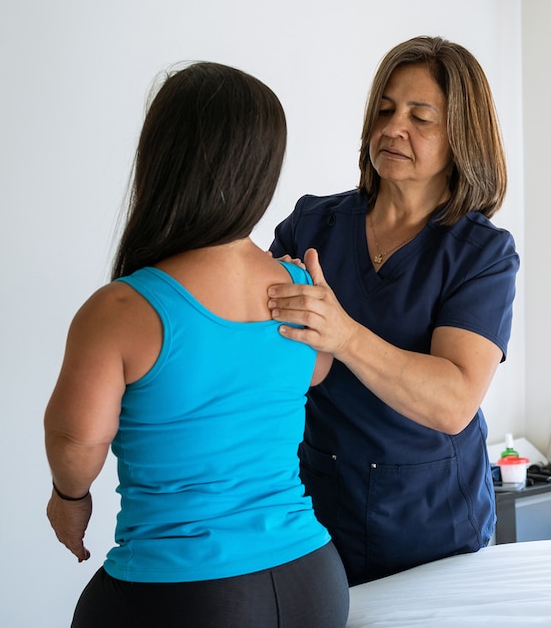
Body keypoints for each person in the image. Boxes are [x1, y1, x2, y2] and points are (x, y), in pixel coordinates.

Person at [43, 61, 348, 627]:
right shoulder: (298, 290)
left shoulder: (119, 311)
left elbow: (76, 440)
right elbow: (316, 369)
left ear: (162, 162)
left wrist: (69, 500)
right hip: (313, 580)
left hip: (187, 592)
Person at [267, 36, 519, 585]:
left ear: (462, 137)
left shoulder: (481, 254)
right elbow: (265, 354)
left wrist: (343, 335)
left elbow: (454, 401)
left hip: (434, 526)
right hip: (317, 513)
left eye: (420, 117)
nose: (393, 128)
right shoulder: (312, 226)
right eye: (384, 111)